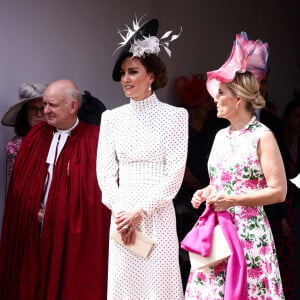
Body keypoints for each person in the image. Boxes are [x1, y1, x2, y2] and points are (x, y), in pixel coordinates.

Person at [185, 32, 286, 299]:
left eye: (220, 94)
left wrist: (232, 199)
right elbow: (222, 182)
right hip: (217, 232)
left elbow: (279, 191)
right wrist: (206, 191)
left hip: (249, 234)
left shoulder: (262, 136)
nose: (214, 99)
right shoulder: (220, 135)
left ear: (239, 98)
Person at [97, 17, 188, 299]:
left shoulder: (175, 117)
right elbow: (105, 174)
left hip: (157, 215)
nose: (125, 78)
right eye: (123, 72)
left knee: (158, 288)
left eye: (133, 71)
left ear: (151, 76)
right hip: (123, 217)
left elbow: (174, 175)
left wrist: (141, 211)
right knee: (125, 289)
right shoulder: (111, 118)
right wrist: (124, 213)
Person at [0, 79, 110, 300]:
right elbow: (18, 188)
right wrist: (34, 210)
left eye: (52, 106)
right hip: (35, 229)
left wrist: (59, 215)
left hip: (72, 234)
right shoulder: (35, 136)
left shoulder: (95, 139)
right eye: (44, 105)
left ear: (72, 107)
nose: (46, 111)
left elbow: (97, 195)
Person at [173, 73, 228, 290]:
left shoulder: (213, 127)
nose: (210, 104)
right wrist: (197, 184)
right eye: (205, 101)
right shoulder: (184, 129)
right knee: (187, 246)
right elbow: (180, 164)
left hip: (205, 194)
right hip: (187, 198)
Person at [277, 98, 300, 299]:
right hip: (285, 208)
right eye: (296, 116)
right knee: (287, 255)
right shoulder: (280, 144)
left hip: (297, 205)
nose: (299, 121)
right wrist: (283, 214)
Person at [1, 83, 47, 183]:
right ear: (25, 113)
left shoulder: (61, 139)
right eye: (33, 109)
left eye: (43, 108)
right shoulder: (14, 146)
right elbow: (19, 184)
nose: (39, 114)